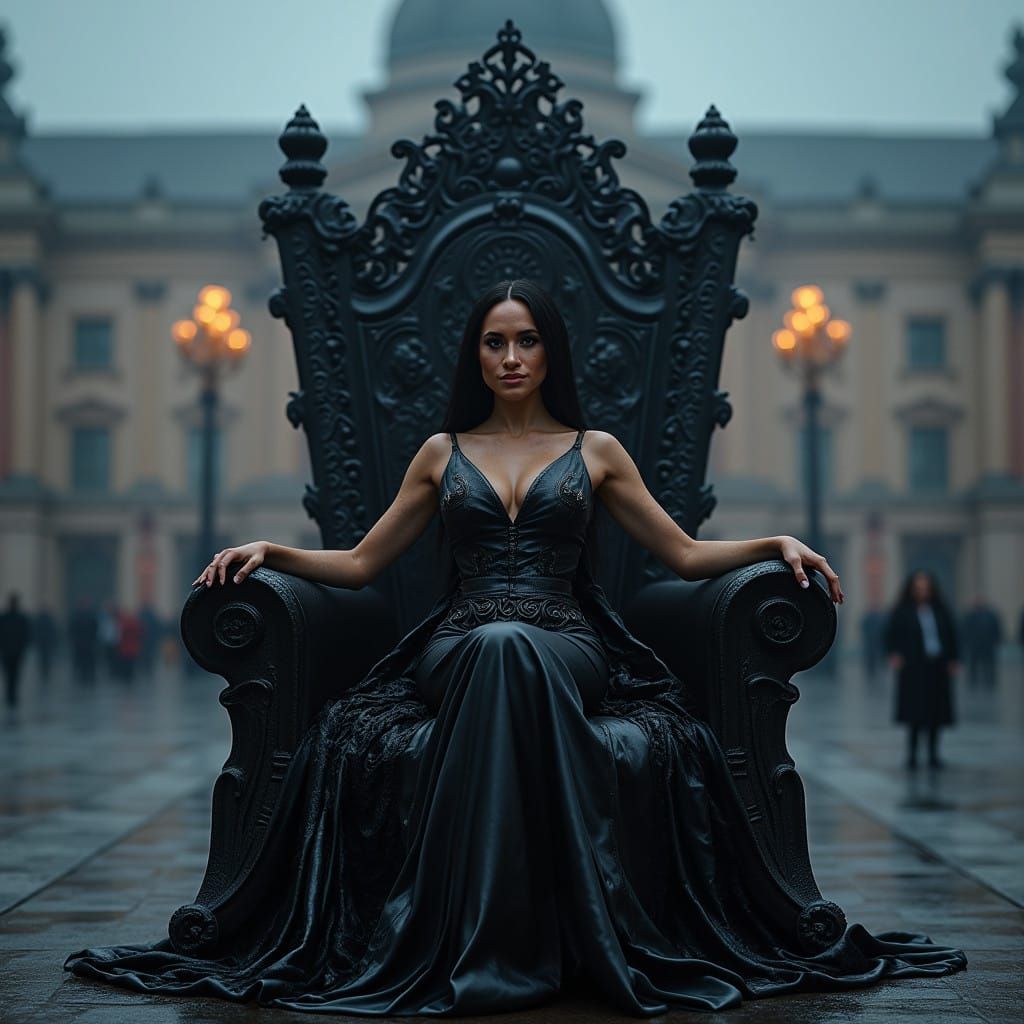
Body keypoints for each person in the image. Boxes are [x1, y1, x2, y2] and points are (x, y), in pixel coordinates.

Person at [64, 280, 965, 1016]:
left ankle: (488, 949)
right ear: (476, 355)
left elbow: (683, 554)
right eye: (494, 343)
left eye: (525, 340)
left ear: (549, 351)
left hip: (569, 641)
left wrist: (776, 545)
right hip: (457, 642)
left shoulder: (597, 450)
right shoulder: (438, 451)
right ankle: (509, 945)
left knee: (517, 646)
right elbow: (363, 561)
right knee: (495, 643)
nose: (509, 358)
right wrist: (273, 552)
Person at [884, 569, 960, 770]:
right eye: (918, 588)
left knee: (936, 712)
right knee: (915, 713)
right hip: (913, 668)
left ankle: (934, 754)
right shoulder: (902, 612)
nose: (922, 591)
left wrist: (953, 659)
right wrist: (894, 654)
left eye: (925, 588)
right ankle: (912, 755)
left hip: (937, 666)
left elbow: (951, 636)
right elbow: (892, 636)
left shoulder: (941, 610)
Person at [960, 595, 1002, 690]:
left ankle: (990, 680)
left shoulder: (990, 615)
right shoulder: (969, 615)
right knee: (973, 664)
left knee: (989, 664)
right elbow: (965, 629)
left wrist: (997, 640)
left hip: (988, 643)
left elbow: (996, 628)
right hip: (975, 644)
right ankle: (973, 681)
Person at [0, 592, 32, 710]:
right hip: (11, 651)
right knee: (12, 674)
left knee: (12, 674)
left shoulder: (16, 618)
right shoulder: (18, 618)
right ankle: (11, 695)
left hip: (13, 651)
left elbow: (26, 635)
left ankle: (11, 695)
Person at [69, 597, 99, 685]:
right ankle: (82, 676)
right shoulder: (76, 615)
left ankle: (89, 676)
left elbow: (95, 628)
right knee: (81, 661)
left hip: (89, 642)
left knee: (90, 661)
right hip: (80, 643)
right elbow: (72, 629)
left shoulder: (91, 615)